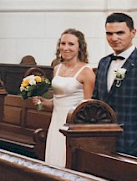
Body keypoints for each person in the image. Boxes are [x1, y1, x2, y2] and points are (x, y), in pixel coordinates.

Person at [92, 12, 137, 160]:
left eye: (120, 33)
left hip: (132, 143)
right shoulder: (104, 63)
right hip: (102, 142)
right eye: (109, 33)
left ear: (133, 33)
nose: (114, 38)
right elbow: (97, 102)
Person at [33, 29, 95, 167]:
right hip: (56, 121)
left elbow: (88, 108)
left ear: (80, 47)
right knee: (53, 161)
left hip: (72, 125)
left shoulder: (86, 72)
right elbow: (57, 101)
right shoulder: (57, 68)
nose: (66, 48)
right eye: (63, 43)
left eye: (71, 44)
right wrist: (42, 103)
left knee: (65, 162)